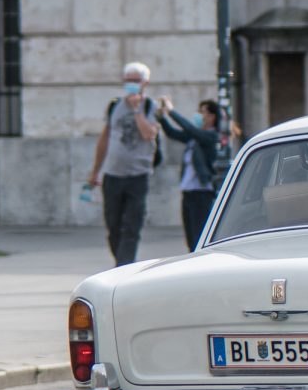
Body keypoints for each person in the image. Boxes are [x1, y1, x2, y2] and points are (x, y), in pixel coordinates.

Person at [88, 61, 160, 266]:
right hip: (113, 174)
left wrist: (137, 110)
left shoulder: (150, 106)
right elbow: (105, 139)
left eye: (135, 81)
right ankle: (121, 261)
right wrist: (95, 171)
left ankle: (123, 266)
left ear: (145, 83)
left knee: (132, 225)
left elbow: (148, 135)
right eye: (128, 80)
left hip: (138, 175)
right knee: (113, 225)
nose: (131, 84)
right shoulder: (114, 105)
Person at [156, 96, 220, 249]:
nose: (198, 115)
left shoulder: (211, 136)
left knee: (199, 237)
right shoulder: (195, 137)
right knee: (191, 238)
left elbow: (189, 129)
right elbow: (173, 133)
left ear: (211, 117)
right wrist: (161, 118)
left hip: (202, 193)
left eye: (202, 112)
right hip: (188, 192)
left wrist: (172, 112)